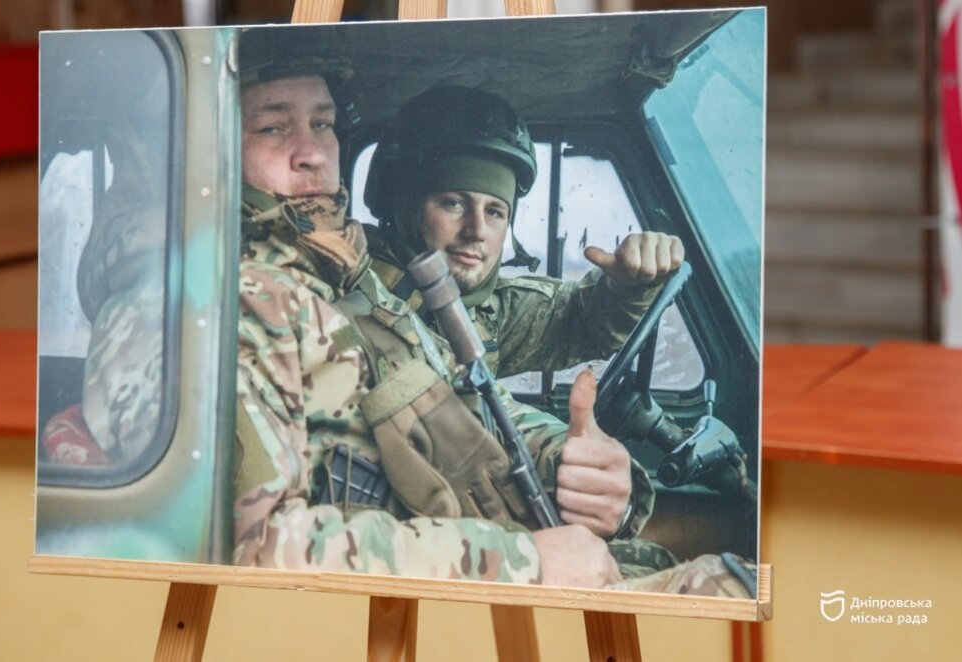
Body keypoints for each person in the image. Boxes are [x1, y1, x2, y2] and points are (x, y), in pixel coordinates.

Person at [232, 43, 754, 597]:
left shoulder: (353, 284)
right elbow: (254, 550)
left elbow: (468, 406)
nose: (312, 153)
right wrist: (523, 563)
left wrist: (572, 465)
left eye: (322, 124)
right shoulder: (247, 298)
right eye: (273, 128)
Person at [363, 85, 686, 378]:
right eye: (454, 204)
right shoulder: (351, 287)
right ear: (404, 205)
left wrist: (629, 286)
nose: (477, 231)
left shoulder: (484, 315)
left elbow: (583, 322)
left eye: (494, 211)